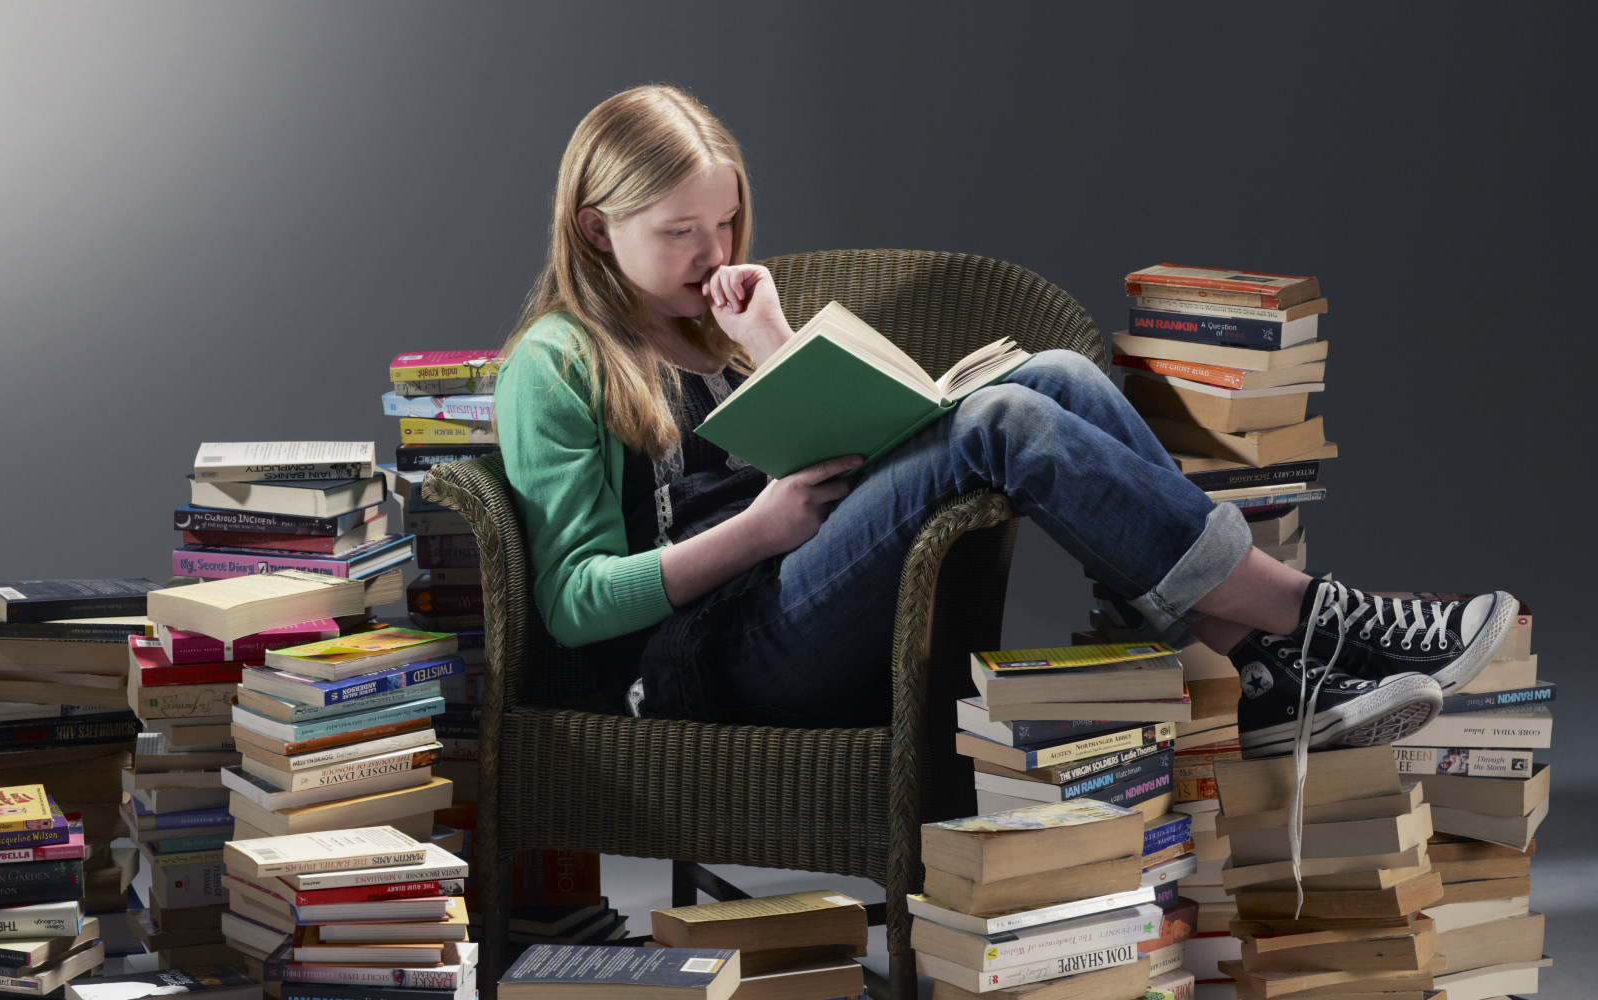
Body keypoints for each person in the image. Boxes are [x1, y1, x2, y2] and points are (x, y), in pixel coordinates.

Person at [494, 84, 1517, 762]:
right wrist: (757, 530)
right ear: (595, 227)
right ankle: (1315, 619)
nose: (712, 252)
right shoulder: (556, 362)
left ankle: (1243, 665)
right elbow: (574, 604)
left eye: (723, 223)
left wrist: (771, 346)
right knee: (1004, 425)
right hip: (702, 673)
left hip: (799, 603)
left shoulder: (710, 326)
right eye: (678, 233)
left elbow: (829, 457)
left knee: (1056, 375)